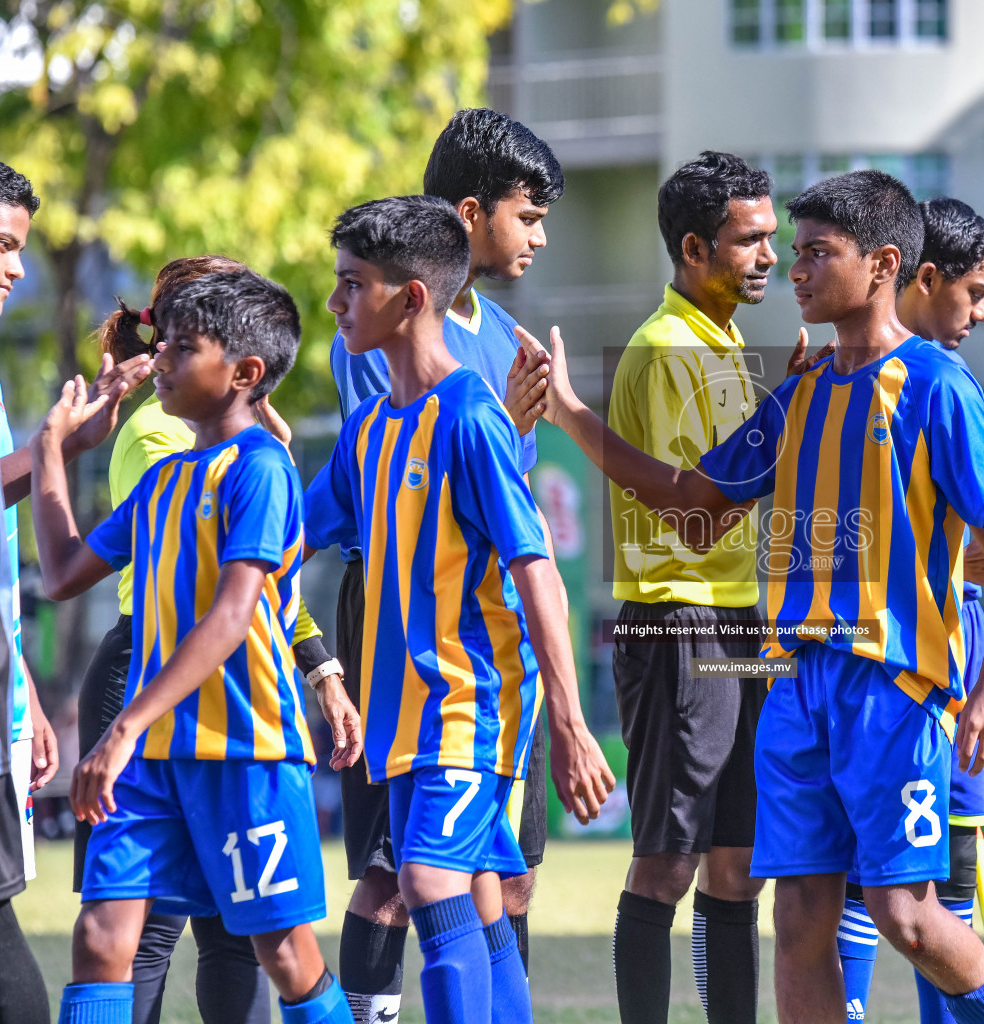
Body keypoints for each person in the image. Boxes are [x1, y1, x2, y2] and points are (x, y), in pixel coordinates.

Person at [515, 169, 984, 1024]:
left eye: (817, 253)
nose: (794, 269)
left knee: (906, 915)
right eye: (793, 252)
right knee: (797, 920)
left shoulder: (936, 385)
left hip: (892, 691)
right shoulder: (796, 395)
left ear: (883, 265)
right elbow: (690, 506)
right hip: (795, 687)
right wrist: (572, 412)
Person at [326, 109, 607, 1024]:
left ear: (408, 295)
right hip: (395, 647)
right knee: (457, 888)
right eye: (528, 216)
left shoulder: (474, 392)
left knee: (439, 876)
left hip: (472, 680)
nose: (336, 305)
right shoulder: (378, 407)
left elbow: (529, 560)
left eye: (348, 287)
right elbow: (316, 524)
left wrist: (567, 717)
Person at [30, 269, 360, 1024]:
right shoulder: (163, 477)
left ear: (245, 373)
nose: (162, 361)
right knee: (101, 935)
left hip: (243, 753)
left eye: (183, 348)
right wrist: (54, 449)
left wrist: (122, 727)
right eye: (165, 343)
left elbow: (236, 611)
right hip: (150, 761)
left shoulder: (263, 469)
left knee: (284, 954)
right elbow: (62, 573)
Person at [581, 150, 774, 1024]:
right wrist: (785, 425)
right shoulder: (665, 352)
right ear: (694, 249)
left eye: (774, 238)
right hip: (678, 626)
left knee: (737, 860)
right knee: (668, 858)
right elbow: (692, 518)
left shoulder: (726, 341)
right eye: (750, 240)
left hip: (738, 628)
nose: (770, 255)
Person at [834, 196, 984, 1024]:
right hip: (902, 653)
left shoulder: (940, 377)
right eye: (974, 294)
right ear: (922, 275)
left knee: (938, 860)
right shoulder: (844, 376)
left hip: (951, 631)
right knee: (878, 876)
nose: (980, 314)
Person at [0, 153, 141, 1024]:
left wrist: (25, 692)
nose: (16, 265)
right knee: (5, 966)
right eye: (1, 242)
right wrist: (57, 451)